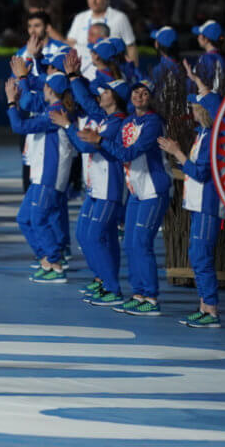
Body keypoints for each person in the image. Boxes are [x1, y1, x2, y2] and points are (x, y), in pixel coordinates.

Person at [76, 79, 170, 315]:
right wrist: (99, 141)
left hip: (153, 189)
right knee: (129, 243)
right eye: (136, 92)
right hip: (136, 191)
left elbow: (129, 152)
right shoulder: (128, 121)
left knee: (141, 243)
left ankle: (150, 297)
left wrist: (100, 141)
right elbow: (114, 148)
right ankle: (138, 293)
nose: (139, 95)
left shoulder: (153, 123)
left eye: (144, 92)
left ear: (150, 98)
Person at [54, 67, 129, 306]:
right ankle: (103, 280)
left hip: (110, 188)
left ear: (114, 98)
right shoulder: (106, 120)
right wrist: (74, 76)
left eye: (106, 91)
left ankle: (112, 288)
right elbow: (86, 101)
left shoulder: (116, 123)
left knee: (95, 236)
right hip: (96, 187)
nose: (101, 94)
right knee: (85, 235)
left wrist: (68, 127)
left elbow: (87, 148)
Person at [158, 79, 225, 328]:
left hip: (207, 204)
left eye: (197, 107)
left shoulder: (212, 138)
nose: (192, 110)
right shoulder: (204, 135)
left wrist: (177, 153)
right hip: (198, 204)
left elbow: (201, 172)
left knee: (201, 256)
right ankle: (204, 306)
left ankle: (211, 310)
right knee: (197, 256)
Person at [6, 71, 76, 282]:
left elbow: (19, 126)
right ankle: (46, 258)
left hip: (50, 174)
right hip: (41, 174)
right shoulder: (52, 109)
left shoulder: (55, 113)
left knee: (38, 218)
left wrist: (11, 102)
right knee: (24, 218)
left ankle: (55, 262)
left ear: (50, 91)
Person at [66, 0, 137, 70]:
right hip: (83, 71)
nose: (94, 1)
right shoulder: (80, 17)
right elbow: (70, 43)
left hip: (111, 72)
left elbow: (131, 47)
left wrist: (134, 71)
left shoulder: (120, 18)